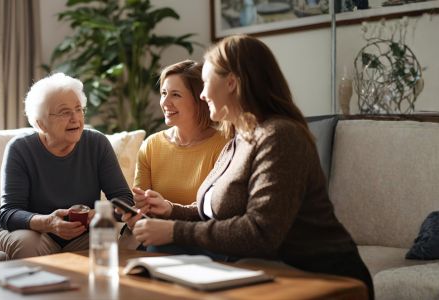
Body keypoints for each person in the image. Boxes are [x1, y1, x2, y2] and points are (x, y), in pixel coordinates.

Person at [122, 35, 374, 299]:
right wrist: (172, 210)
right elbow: (220, 210)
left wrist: (174, 230)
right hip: (261, 265)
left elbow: (261, 231)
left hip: (317, 272)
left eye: (206, 83)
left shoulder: (279, 136)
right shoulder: (239, 138)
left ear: (231, 83)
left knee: (160, 257)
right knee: (152, 263)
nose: (203, 94)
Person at [0, 73, 133, 259]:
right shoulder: (20, 149)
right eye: (65, 112)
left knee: (106, 237)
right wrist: (48, 223)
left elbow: (124, 200)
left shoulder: (96, 143)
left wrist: (96, 214)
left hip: (82, 234)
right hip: (33, 231)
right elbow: (10, 213)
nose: (75, 118)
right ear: (41, 123)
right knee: (28, 243)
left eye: (78, 109)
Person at [134, 60, 228, 206]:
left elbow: (218, 208)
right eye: (163, 93)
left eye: (176, 95)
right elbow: (140, 205)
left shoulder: (224, 145)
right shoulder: (151, 145)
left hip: (199, 229)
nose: (165, 102)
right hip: (155, 227)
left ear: (200, 99)